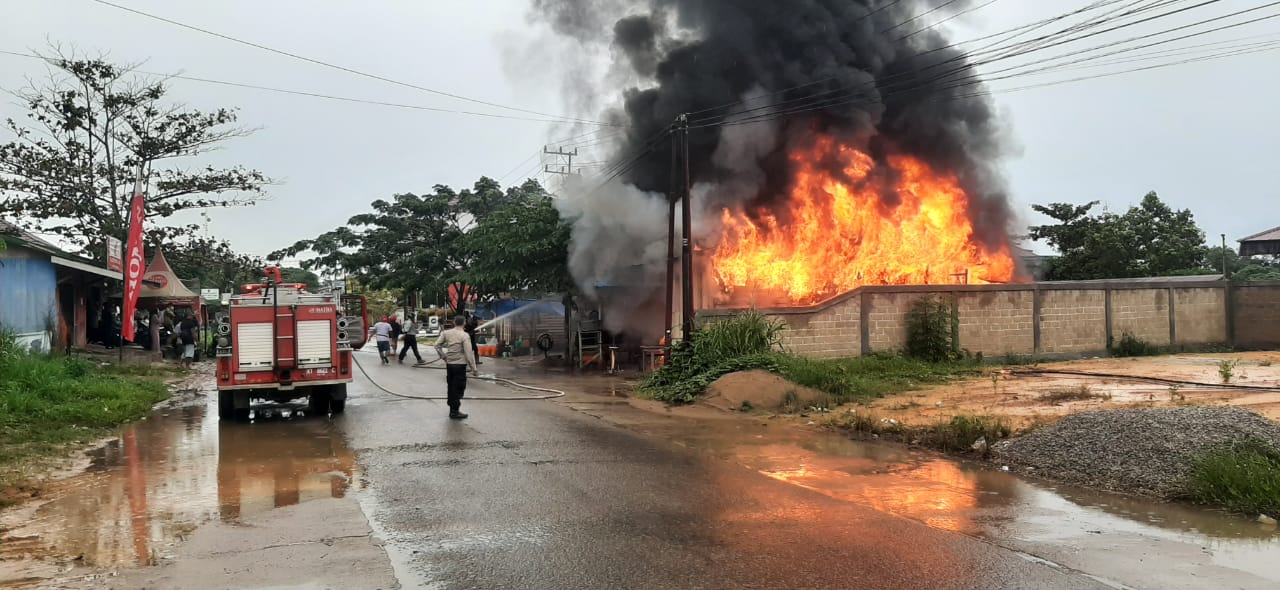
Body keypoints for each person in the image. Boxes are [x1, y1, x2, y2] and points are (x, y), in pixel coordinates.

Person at [434, 315, 479, 420]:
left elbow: (436, 345)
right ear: (464, 323)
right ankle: (455, 411)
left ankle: (453, 410)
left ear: (454, 322)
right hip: (460, 365)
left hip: (450, 365)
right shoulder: (464, 335)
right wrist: (474, 369)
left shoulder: (446, 333)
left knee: (451, 387)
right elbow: (469, 353)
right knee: (459, 388)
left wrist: (443, 356)